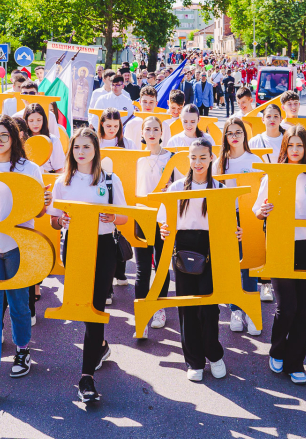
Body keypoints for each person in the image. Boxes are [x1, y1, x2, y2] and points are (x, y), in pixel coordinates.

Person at [0, 115, 52, 400]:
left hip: (19, 247)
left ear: (14, 138)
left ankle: (22, 351)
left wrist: (45, 203)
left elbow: (38, 211)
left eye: (4, 135)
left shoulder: (29, 168)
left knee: (19, 306)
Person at [48, 128, 128, 403]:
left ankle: (86, 378)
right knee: (82, 305)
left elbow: (124, 218)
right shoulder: (63, 181)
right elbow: (54, 220)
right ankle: (101, 346)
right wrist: (62, 222)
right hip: (75, 247)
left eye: (87, 146)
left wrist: (112, 217)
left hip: (103, 248)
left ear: (96, 149)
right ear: (71, 150)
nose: (81, 151)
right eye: (77, 147)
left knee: (95, 306)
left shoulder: (109, 178)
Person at [253, 125, 306, 385]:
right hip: (281, 246)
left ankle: (296, 362)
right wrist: (263, 211)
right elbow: (257, 210)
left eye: (300, 145)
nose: (295, 150)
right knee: (286, 307)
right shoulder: (272, 176)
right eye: (291, 145)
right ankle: (277, 349)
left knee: (302, 310)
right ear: (284, 147)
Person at [158, 138, 230, 382]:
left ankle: (214, 354)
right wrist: (164, 230)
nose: (198, 162)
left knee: (210, 307)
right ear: (188, 158)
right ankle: (194, 361)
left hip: (212, 248)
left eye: (203, 157)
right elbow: (164, 221)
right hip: (184, 248)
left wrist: (236, 232)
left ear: (212, 157)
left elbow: (229, 225)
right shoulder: (177, 187)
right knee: (187, 306)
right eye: (193, 157)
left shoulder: (220, 188)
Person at [215, 118, 263, 337]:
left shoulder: (254, 160)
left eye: (238, 132)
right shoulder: (219, 162)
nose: (234, 136)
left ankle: (252, 310)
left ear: (245, 134)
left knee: (249, 265)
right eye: (230, 133)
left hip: (249, 216)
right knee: (233, 265)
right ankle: (235, 310)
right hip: (227, 216)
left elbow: (263, 193)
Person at [134, 116, 176, 332]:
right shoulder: (135, 158)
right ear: (142, 133)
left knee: (161, 265)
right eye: (147, 129)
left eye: (155, 129)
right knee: (142, 268)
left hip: (163, 218)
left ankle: (159, 308)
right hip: (141, 216)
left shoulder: (171, 158)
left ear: (162, 132)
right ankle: (141, 312)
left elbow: (180, 188)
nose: (151, 133)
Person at [24, 103, 66, 173]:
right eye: (31, 121)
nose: (35, 124)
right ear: (26, 121)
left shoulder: (53, 140)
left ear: (44, 120)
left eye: (39, 120)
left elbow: (59, 169)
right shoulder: (22, 139)